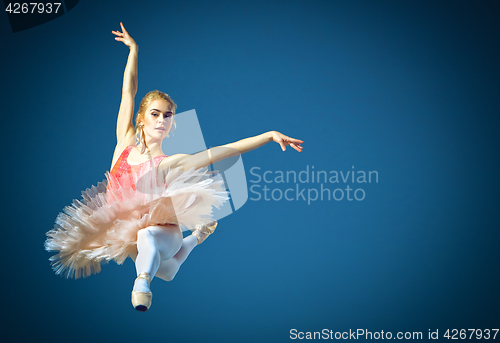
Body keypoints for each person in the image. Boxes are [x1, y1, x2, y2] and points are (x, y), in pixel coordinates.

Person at [45, 22, 304, 312]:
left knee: (148, 241)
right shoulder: (124, 143)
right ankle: (197, 239)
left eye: (167, 116)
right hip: (130, 231)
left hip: (163, 229)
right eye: (155, 114)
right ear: (141, 118)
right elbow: (128, 92)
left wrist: (268, 136)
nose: (162, 120)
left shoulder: (170, 163)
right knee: (167, 271)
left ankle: (142, 283)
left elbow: (221, 151)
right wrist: (134, 50)